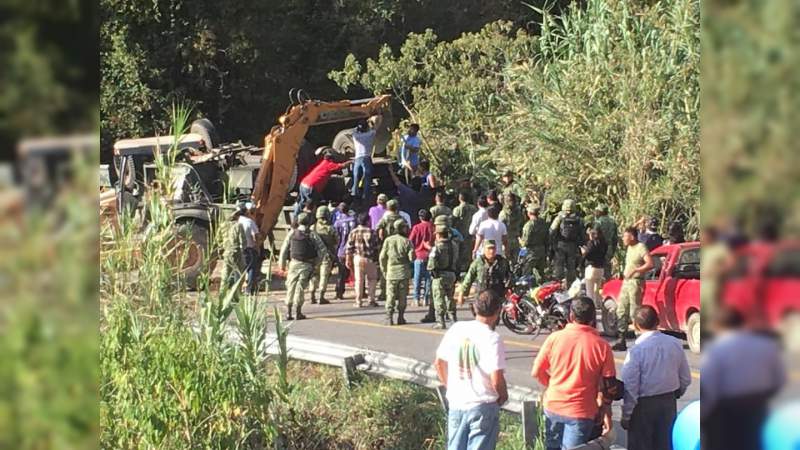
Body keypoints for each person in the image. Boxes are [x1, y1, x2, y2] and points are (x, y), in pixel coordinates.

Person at [531, 297, 616, 450]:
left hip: (553, 406)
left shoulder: (554, 338)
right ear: (593, 319)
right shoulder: (602, 346)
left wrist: (553, 386)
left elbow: (536, 372)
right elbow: (610, 386)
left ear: (571, 316)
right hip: (581, 412)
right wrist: (605, 411)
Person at [701, 306, 786, 450]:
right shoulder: (767, 345)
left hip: (727, 410)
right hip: (759, 406)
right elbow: (779, 379)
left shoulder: (715, 349)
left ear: (716, 326)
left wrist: (704, 413)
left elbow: (711, 388)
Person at [434, 290, 508, 450]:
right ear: (497, 312)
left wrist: (450, 386)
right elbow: (496, 379)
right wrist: (503, 396)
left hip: (457, 404)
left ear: (474, 307)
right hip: (483, 406)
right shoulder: (493, 338)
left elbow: (439, 363)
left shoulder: (457, 328)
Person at [621, 305, 692, 450]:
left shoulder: (636, 351)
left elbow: (630, 386)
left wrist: (626, 415)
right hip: (668, 402)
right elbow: (685, 377)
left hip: (643, 406)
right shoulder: (675, 343)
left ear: (636, 325)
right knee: (665, 443)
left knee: (641, 445)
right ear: (658, 321)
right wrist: (676, 393)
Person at [278, 212, 326, 320]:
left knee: (290, 286)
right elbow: (322, 250)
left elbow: (284, 249)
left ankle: (289, 312)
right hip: (307, 264)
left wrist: (282, 265)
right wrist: (317, 264)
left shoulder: (292, 233)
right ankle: (298, 312)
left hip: (294, 263)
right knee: (300, 287)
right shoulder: (312, 234)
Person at [612, 227, 654, 351]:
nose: (623, 238)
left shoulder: (641, 247)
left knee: (634, 311)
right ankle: (621, 339)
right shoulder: (629, 248)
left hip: (636, 282)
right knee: (621, 309)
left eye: (625, 236)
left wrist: (636, 270)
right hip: (626, 282)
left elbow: (650, 264)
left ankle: (639, 340)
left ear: (632, 237)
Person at [293, 148, 349, 219]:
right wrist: (350, 162)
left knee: (301, 202)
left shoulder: (322, 163)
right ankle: (309, 222)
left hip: (303, 184)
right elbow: (341, 166)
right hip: (310, 187)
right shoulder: (329, 164)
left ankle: (295, 219)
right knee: (311, 206)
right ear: (331, 159)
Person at [380, 219, 415, 325]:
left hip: (391, 272)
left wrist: (384, 270)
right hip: (403, 272)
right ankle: (401, 317)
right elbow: (411, 258)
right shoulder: (407, 241)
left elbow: (382, 257)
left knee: (390, 295)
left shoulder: (388, 240)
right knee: (402, 296)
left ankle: (389, 317)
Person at [458, 241, 511, 305]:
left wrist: (508, 289)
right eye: (489, 248)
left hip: (498, 297)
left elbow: (509, 277)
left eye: (493, 248)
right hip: (481, 297)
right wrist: (462, 294)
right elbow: (468, 278)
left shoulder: (503, 262)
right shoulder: (478, 262)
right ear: (484, 249)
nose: (491, 251)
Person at [428, 224, 459, 329]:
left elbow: (431, 264)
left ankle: (440, 321)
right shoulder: (454, 245)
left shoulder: (437, 247)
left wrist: (433, 272)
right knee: (450, 297)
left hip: (440, 275)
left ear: (438, 235)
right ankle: (453, 318)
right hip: (452, 274)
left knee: (439, 298)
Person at [346, 212, 380, 308]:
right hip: (370, 258)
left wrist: (348, 259)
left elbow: (349, 247)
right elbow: (377, 247)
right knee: (372, 279)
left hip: (357, 258)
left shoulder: (354, 232)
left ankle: (358, 301)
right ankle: (371, 300)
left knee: (359, 280)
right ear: (367, 221)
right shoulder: (372, 232)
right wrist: (377, 260)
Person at [549, 199, 585, 287]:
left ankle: (558, 285)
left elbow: (552, 230)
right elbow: (582, 234)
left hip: (560, 245)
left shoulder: (560, 217)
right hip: (573, 246)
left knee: (559, 266)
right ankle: (570, 286)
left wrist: (552, 243)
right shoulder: (579, 219)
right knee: (571, 267)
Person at [309, 205, 338, 305]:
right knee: (324, 276)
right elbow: (336, 241)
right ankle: (321, 296)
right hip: (327, 255)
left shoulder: (313, 227)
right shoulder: (331, 228)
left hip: (315, 256)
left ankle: (312, 294)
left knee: (314, 275)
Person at [351, 115, 382, 200]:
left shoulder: (355, 136)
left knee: (356, 178)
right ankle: (366, 195)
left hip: (357, 159)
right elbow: (378, 122)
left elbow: (354, 130)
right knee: (367, 179)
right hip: (367, 158)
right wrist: (370, 121)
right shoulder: (370, 134)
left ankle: (354, 195)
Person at [409, 209, 435, 307]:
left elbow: (410, 241)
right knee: (429, 278)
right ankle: (426, 299)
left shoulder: (416, 227)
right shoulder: (433, 227)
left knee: (417, 278)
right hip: (430, 256)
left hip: (418, 255)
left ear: (420, 218)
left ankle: (416, 299)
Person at [333, 206, 357, 300]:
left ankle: (339, 292)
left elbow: (336, 237)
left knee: (341, 273)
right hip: (354, 250)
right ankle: (360, 291)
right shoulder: (354, 220)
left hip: (342, 250)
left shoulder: (338, 222)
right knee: (357, 272)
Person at [452, 190, 478, 275]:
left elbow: (454, 221)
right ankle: (468, 269)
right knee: (469, 251)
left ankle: (460, 270)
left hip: (460, 233)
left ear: (459, 199)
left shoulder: (457, 209)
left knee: (459, 252)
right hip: (471, 234)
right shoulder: (474, 208)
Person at [520, 204, 549, 281]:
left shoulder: (529, 225)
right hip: (542, 250)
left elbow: (525, 242)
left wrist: (519, 240)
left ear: (529, 213)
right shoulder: (543, 223)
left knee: (526, 273)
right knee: (542, 274)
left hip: (531, 252)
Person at [238, 201, 261, 295]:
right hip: (249, 248)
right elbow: (256, 236)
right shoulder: (250, 222)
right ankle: (249, 289)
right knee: (251, 268)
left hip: (239, 248)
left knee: (240, 269)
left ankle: (238, 289)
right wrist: (257, 246)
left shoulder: (238, 221)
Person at [581, 228, 607, 310]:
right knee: (597, 289)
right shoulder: (604, 243)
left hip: (591, 268)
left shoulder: (591, 243)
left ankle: (591, 307)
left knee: (590, 290)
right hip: (600, 268)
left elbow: (587, 254)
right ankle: (598, 304)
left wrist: (583, 253)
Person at [220, 207, 246, 289]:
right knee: (239, 273)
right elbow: (243, 240)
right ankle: (236, 292)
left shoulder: (223, 225)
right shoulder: (238, 225)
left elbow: (219, 240)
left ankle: (222, 291)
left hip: (226, 251)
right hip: (236, 251)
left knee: (226, 273)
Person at [592, 205, 618, 279]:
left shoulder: (598, 221)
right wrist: (613, 249)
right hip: (610, 247)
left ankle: (600, 284)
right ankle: (607, 282)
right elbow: (615, 238)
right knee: (607, 267)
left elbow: (594, 235)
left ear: (600, 212)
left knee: (598, 267)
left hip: (600, 247)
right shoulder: (612, 221)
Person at [498, 193, 524, 262]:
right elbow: (522, 225)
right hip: (516, 239)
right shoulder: (519, 212)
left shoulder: (503, 214)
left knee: (505, 261)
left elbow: (499, 228)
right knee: (515, 261)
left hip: (506, 241)